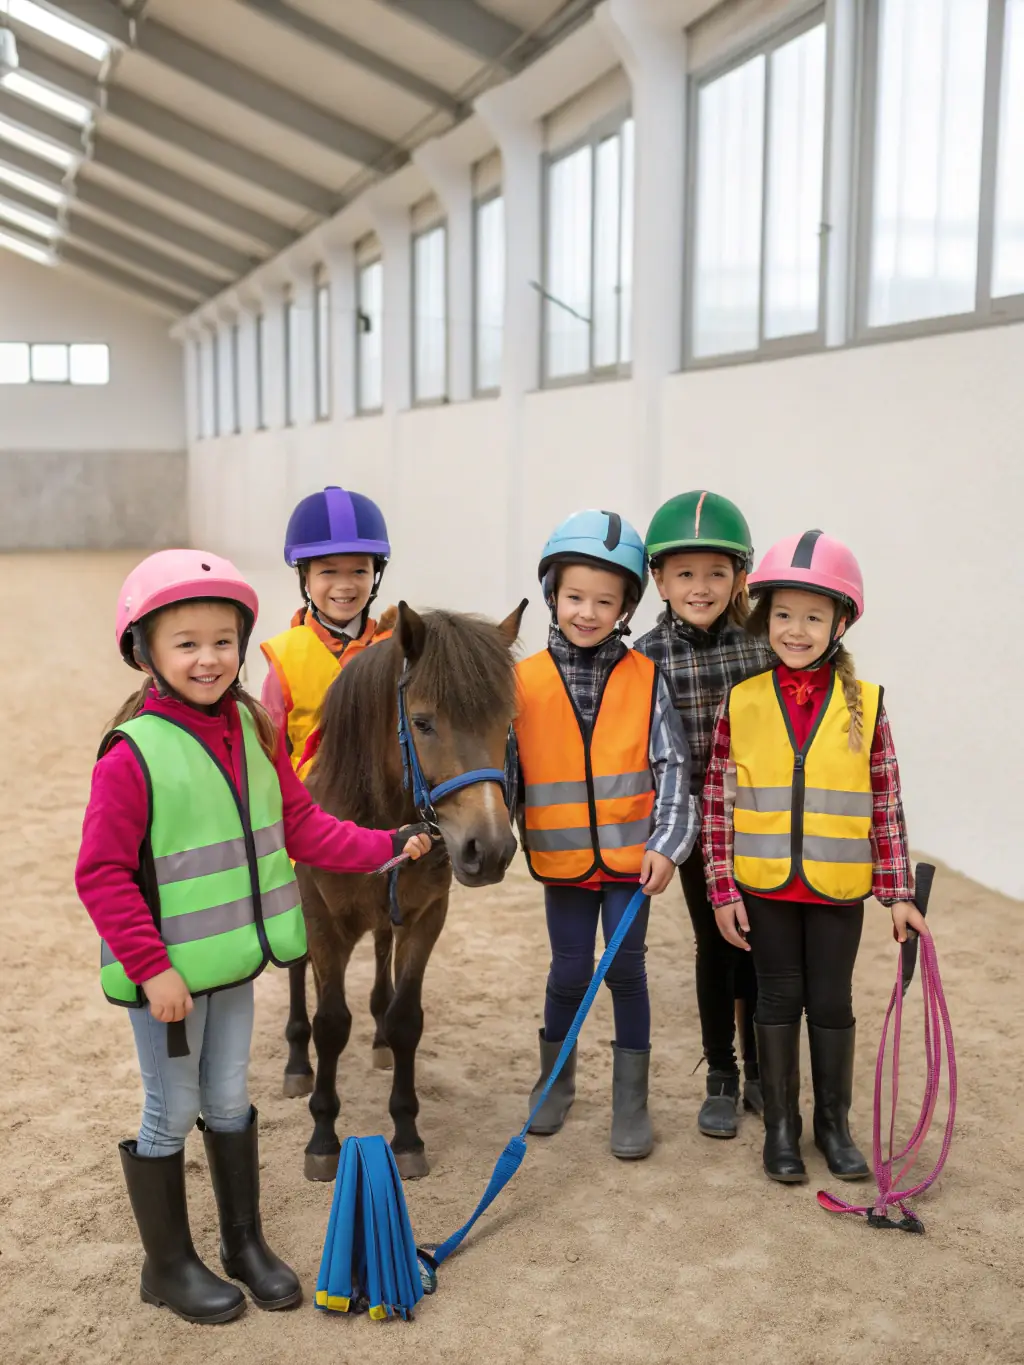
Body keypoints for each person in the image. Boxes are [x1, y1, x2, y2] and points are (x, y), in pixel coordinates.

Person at [75, 550, 432, 1324]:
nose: (209, 658)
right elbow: (100, 874)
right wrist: (151, 969)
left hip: (234, 960)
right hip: (164, 979)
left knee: (230, 1097)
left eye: (223, 640)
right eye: (186, 642)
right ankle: (167, 1265)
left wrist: (384, 844)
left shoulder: (252, 722)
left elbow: (298, 823)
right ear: (145, 651)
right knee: (171, 1109)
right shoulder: (132, 753)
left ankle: (244, 1243)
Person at [702, 530, 926, 1184]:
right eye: (783, 614)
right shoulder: (742, 701)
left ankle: (834, 1124)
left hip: (835, 889)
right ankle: (781, 1127)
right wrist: (722, 889)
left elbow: (885, 803)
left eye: (813, 616)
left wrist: (899, 892)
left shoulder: (869, 705)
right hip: (764, 886)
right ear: (764, 617)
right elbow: (718, 799)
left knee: (830, 1002)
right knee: (776, 1000)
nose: (795, 629)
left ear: (840, 622)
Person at [514, 510, 699, 1160]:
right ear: (552, 595)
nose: (587, 612)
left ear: (625, 607)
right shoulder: (522, 680)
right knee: (568, 971)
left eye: (604, 600)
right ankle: (555, 1082)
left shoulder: (647, 678)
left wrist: (667, 844)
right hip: (561, 859)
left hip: (631, 860)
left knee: (625, 968)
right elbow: (503, 772)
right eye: (574, 597)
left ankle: (631, 1101)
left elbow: (673, 766)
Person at [634, 491, 774, 1139]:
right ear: (658, 579)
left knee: (764, 946)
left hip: (763, 820)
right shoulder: (644, 657)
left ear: (740, 576)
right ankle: (721, 1069)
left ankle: (761, 1069)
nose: (701, 586)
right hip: (694, 826)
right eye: (684, 573)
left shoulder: (762, 645)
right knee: (717, 942)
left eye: (717, 572)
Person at [260, 486, 392, 769]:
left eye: (359, 571)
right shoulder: (285, 658)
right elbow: (270, 757)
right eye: (328, 572)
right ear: (304, 576)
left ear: (375, 575)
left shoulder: (395, 647)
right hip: (311, 807)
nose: (345, 585)